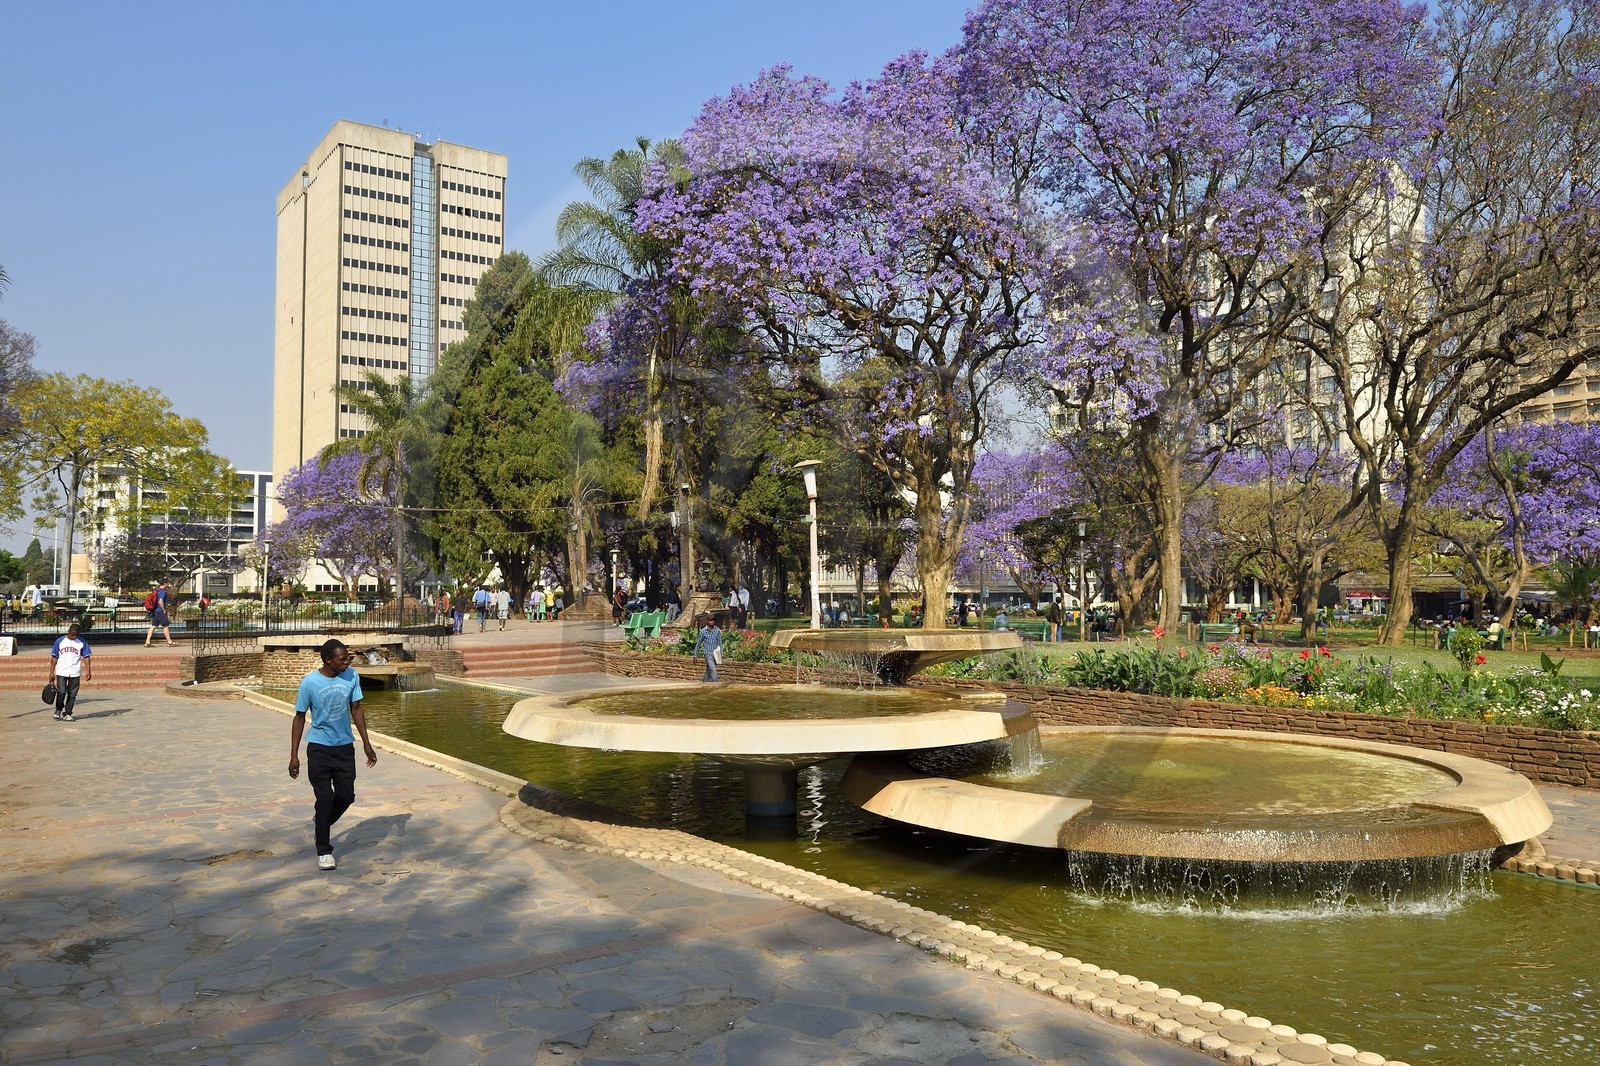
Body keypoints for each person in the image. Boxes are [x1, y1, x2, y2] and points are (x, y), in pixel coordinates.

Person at [288, 638, 377, 872]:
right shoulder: (310, 683)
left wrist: (366, 743)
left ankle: (322, 820)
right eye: (342, 659)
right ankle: (324, 851)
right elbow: (299, 717)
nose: (347, 662)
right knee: (325, 799)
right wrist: (294, 755)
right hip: (319, 748)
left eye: (348, 658)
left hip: (344, 747)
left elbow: (356, 709)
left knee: (346, 796)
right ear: (328, 660)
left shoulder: (351, 676)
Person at [47, 622, 92, 722]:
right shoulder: (60, 641)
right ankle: (58, 709)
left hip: (75, 671)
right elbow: (54, 657)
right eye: (72, 634)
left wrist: (88, 670)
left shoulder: (82, 642)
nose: (74, 636)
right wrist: (51, 672)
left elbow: (86, 656)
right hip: (62, 670)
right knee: (61, 692)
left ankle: (68, 713)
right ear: (68, 631)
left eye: (76, 635)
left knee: (72, 694)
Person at [145, 579, 175, 647]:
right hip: (160, 611)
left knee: (153, 626)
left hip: (155, 610)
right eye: (167, 583)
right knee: (166, 625)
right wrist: (164, 610)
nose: (168, 585)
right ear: (164, 583)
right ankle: (170, 642)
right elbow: (160, 601)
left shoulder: (157, 590)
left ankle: (147, 642)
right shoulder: (163, 591)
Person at [693, 617, 722, 682]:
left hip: (715, 654)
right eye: (710, 620)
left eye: (713, 620)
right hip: (708, 654)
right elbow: (698, 644)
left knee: (709, 670)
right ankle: (717, 685)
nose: (712, 621)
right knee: (713, 670)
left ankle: (704, 683)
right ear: (707, 621)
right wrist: (695, 656)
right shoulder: (703, 631)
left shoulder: (717, 630)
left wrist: (721, 653)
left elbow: (720, 643)